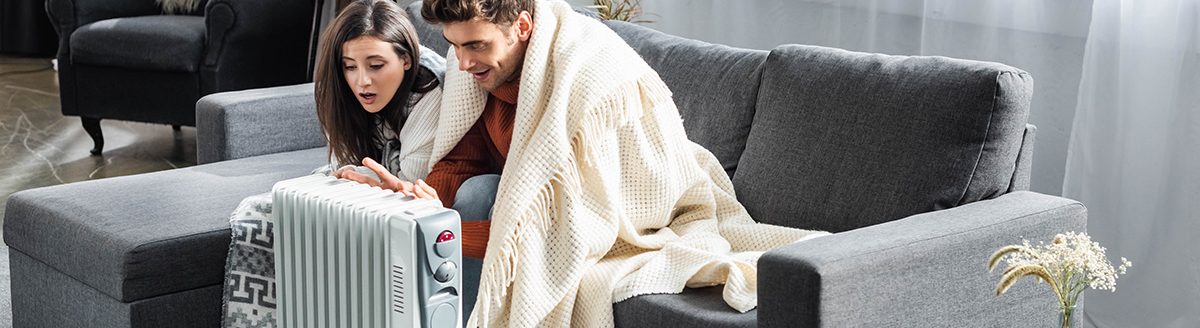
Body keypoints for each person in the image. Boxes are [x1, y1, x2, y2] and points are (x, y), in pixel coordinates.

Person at [352, 0, 830, 326]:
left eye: (476, 45)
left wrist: (448, 232)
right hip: (535, 202)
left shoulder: (585, 74)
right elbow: (464, 150)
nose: (462, 62)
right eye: (455, 45)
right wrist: (426, 200)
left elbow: (572, 222)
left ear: (522, 25)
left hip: (634, 204)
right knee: (466, 194)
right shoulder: (485, 72)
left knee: (475, 200)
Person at [218, 0, 446, 327]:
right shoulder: (339, 91)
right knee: (262, 216)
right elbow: (344, 169)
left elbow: (411, 181)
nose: (361, 81)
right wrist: (364, 177)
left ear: (406, 60)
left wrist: (367, 178)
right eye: (350, 66)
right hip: (370, 183)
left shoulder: (430, 91)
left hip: (406, 195)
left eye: (376, 65)